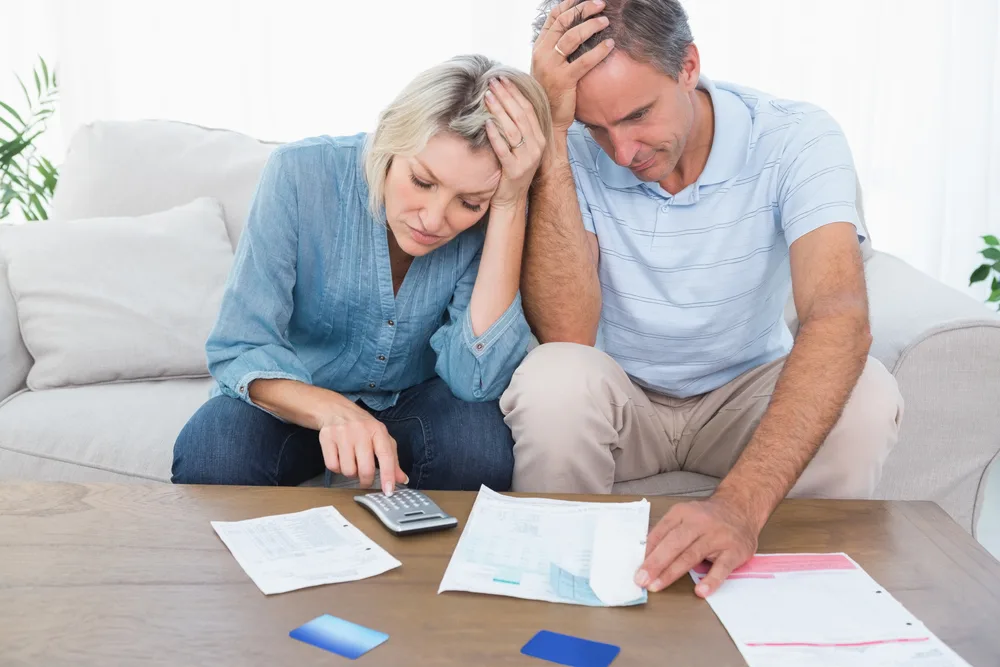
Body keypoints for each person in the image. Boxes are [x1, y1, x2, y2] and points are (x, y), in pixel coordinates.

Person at [501, 0, 904, 597]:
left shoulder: (795, 136)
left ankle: (800, 598)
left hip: (743, 402)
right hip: (623, 399)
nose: (623, 151)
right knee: (553, 374)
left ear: (688, 65)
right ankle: (556, 594)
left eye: (639, 115)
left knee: (868, 394)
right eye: (597, 128)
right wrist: (556, 136)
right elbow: (568, 333)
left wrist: (738, 506)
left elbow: (839, 314)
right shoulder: (572, 147)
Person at [172, 55, 552, 495]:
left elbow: (476, 379)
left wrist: (508, 204)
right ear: (389, 140)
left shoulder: (496, 211)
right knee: (214, 450)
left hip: (415, 400)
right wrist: (331, 410)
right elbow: (240, 346)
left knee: (479, 450)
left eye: (468, 203)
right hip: (298, 396)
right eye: (422, 182)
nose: (433, 219)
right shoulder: (299, 174)